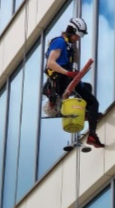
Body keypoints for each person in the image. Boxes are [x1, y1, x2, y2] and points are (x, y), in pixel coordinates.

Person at [43, 17, 105, 149]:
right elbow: (51, 63)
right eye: (78, 35)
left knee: (87, 88)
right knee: (94, 102)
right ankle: (92, 134)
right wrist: (68, 73)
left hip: (64, 80)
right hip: (62, 81)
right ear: (72, 31)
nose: (78, 38)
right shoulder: (59, 42)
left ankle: (86, 114)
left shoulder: (67, 45)